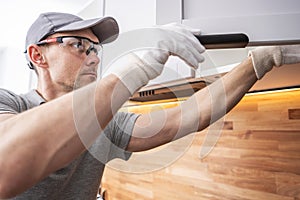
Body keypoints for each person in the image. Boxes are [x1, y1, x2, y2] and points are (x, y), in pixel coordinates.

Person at [0, 11, 299, 200]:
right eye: (79, 45)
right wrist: (130, 74)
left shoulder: (105, 120)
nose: (94, 57)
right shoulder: (8, 103)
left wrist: (260, 62)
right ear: (38, 55)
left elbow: (185, 117)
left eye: (96, 48)